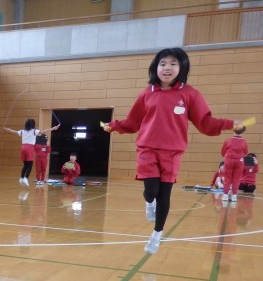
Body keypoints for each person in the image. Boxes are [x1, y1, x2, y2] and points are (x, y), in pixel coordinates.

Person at [102, 48, 241, 254]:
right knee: (151, 191)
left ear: (182, 67)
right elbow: (133, 121)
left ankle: (156, 235)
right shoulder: (147, 93)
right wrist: (114, 125)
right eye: (163, 63)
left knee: (164, 195)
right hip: (147, 149)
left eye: (173, 63)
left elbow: (205, 122)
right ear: (155, 67)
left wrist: (229, 124)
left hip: (172, 153)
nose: (167, 68)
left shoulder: (190, 94)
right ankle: (149, 202)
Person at [4, 119, 59, 187]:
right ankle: (26, 178)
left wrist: (8, 129)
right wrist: (53, 128)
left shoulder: (23, 131)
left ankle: (21, 178)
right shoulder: (34, 131)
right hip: (29, 148)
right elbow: (43, 131)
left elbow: (14, 131)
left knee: (25, 165)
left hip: (23, 148)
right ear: (33, 125)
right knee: (30, 165)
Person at [221, 125, 248, 202]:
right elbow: (246, 153)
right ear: (242, 131)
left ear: (233, 130)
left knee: (227, 178)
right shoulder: (244, 142)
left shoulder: (228, 140)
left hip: (229, 160)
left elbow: (223, 152)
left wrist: (228, 156)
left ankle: (225, 195)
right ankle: (234, 196)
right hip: (239, 161)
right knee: (236, 179)